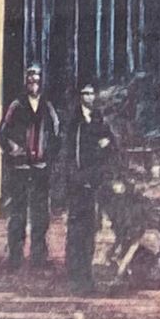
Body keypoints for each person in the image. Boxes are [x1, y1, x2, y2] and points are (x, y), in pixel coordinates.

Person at [0, 64, 60, 271]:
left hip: (40, 168)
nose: (34, 83)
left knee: (40, 214)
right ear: (26, 82)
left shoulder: (47, 107)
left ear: (42, 82)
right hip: (20, 168)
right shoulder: (17, 105)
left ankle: (38, 257)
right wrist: (12, 147)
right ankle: (15, 258)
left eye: (37, 79)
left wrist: (48, 158)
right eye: (30, 79)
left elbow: (56, 135)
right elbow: (2, 133)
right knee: (18, 213)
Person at [65, 81, 119, 291]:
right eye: (85, 93)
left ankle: (85, 274)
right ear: (80, 96)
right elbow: (71, 154)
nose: (89, 97)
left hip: (94, 181)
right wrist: (77, 177)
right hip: (78, 182)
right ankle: (74, 274)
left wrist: (107, 145)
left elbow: (111, 144)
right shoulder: (75, 122)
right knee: (76, 228)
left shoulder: (98, 119)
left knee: (90, 228)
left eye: (91, 93)